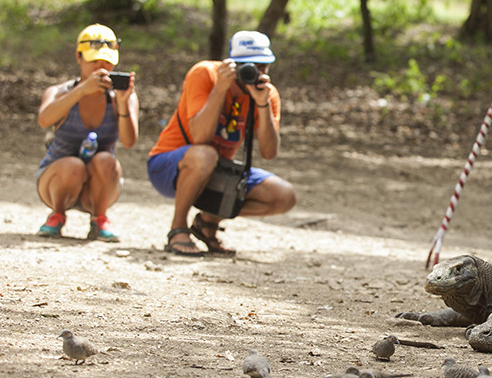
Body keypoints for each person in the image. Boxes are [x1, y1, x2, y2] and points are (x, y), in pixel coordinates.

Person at [147, 30, 297, 255]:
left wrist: (262, 105)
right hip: (168, 166)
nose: (256, 73)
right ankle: (177, 229)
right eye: (249, 66)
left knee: (284, 196)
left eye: (263, 66)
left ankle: (207, 224)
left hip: (215, 171)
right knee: (206, 155)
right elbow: (200, 137)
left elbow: (269, 152)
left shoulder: (266, 93)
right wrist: (220, 89)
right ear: (232, 64)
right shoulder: (206, 74)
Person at [36, 24, 139, 242]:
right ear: (79, 57)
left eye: (107, 62)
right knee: (72, 165)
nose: (101, 68)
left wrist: (122, 105)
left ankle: (99, 219)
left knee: (106, 160)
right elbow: (44, 119)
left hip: (100, 185)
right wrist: (81, 90)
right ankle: (57, 215)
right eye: (94, 61)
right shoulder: (59, 92)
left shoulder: (123, 97)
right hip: (58, 180)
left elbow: (129, 142)